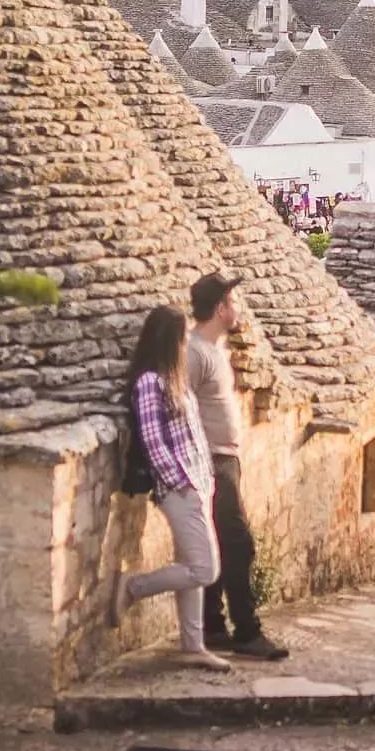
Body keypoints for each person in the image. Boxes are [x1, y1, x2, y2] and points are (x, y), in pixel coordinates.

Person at [110, 306, 230, 671]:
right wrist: (181, 483)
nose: (185, 344)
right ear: (169, 340)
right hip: (180, 489)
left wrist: (203, 481)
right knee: (204, 570)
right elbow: (152, 439)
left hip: (198, 484)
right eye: (181, 338)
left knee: (193, 565)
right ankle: (134, 587)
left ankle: (192, 645)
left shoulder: (175, 378)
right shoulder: (150, 382)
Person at [187, 274, 289, 661]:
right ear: (219, 309)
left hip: (225, 458)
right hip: (213, 462)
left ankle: (213, 625)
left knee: (219, 541)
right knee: (238, 543)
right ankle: (246, 630)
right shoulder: (194, 353)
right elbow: (180, 406)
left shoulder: (214, 350)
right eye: (232, 301)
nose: (237, 308)